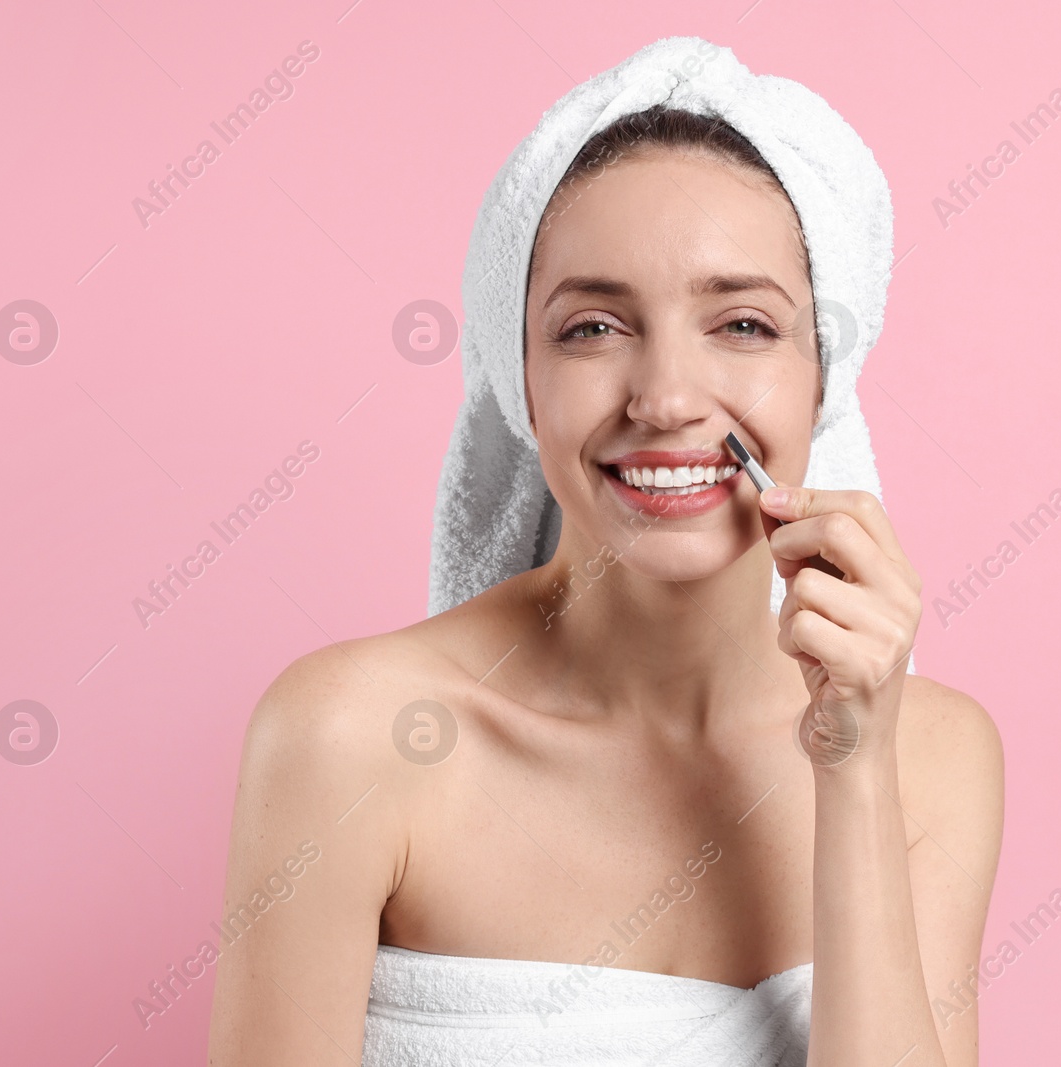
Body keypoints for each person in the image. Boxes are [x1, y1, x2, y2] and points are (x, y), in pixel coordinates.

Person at [208, 40, 1003, 1067]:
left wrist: (852, 769)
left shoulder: (933, 758)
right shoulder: (349, 737)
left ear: (822, 377)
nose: (667, 397)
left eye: (744, 323)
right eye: (592, 326)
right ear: (520, 381)